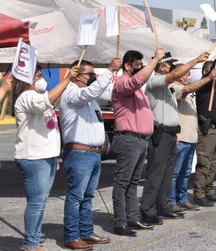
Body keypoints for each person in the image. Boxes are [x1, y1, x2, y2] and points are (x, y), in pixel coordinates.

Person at [13, 64, 78, 251]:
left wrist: (53, 156)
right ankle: (31, 244)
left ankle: (33, 241)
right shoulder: (27, 97)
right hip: (33, 157)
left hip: (46, 156)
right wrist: (67, 79)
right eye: (37, 76)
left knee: (40, 202)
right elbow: (45, 102)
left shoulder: (38, 96)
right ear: (26, 79)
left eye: (41, 75)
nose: (41, 80)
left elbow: (48, 127)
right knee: (36, 203)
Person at [140, 51, 209, 225]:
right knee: (155, 174)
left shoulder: (168, 86)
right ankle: (147, 210)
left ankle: (163, 206)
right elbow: (176, 75)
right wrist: (196, 59)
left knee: (167, 173)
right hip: (160, 132)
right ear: (162, 66)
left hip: (171, 133)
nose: (170, 67)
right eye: (168, 64)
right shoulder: (154, 80)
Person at [59, 58, 121, 249]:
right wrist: (109, 70)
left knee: (87, 197)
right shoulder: (71, 93)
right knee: (76, 197)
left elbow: (102, 93)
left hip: (92, 154)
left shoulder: (88, 98)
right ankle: (71, 235)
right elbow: (92, 91)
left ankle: (86, 232)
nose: (94, 77)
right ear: (76, 75)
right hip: (79, 154)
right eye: (90, 74)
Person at [111, 48, 164, 236]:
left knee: (132, 182)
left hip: (140, 141)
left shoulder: (137, 89)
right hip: (128, 139)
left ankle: (132, 218)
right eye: (137, 64)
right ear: (127, 66)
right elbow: (138, 80)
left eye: (142, 64)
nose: (140, 67)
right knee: (122, 182)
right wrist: (155, 60)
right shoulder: (123, 83)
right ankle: (120, 222)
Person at [167, 64, 216, 212]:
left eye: (189, 74)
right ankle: (171, 200)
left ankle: (182, 198)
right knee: (175, 172)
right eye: (184, 73)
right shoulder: (174, 87)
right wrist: (209, 77)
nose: (187, 76)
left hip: (191, 138)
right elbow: (188, 89)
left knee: (185, 172)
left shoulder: (188, 91)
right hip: (181, 137)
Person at [193, 41, 216, 207]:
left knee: (213, 164)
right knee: (204, 163)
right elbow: (212, 72)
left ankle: (209, 190)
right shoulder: (205, 85)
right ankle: (199, 194)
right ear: (206, 72)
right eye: (213, 71)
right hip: (207, 130)